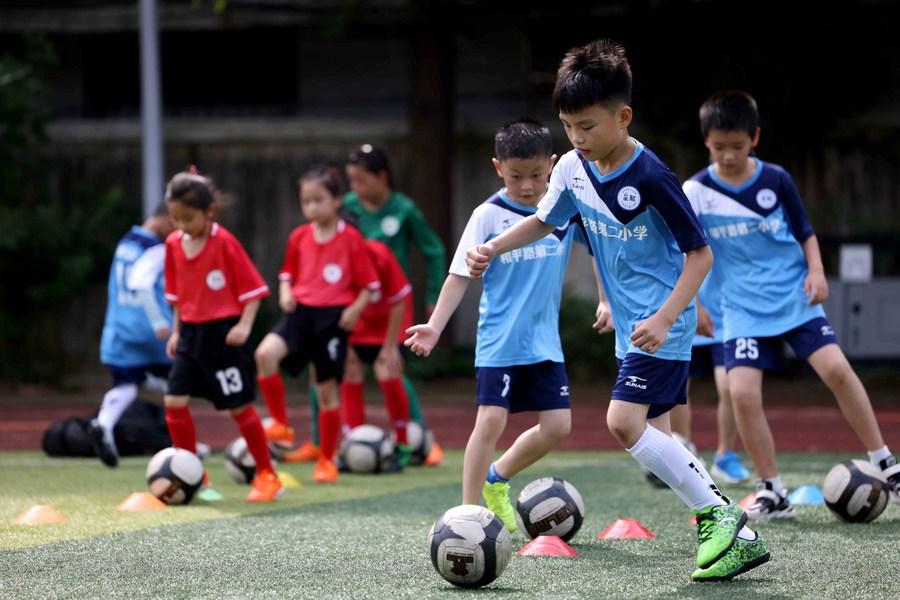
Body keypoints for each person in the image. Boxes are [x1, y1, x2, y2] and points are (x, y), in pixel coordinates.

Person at [465, 41, 767, 582]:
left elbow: (700, 254)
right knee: (656, 433)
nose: (577, 139)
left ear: (622, 117)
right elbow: (545, 219)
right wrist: (495, 247)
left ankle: (721, 516)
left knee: (622, 422)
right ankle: (731, 530)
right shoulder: (573, 169)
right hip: (632, 327)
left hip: (659, 324)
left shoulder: (651, 176)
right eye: (568, 128)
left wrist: (668, 316)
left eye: (587, 126)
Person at [683, 90, 900, 519]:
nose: (728, 156)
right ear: (706, 140)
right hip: (740, 309)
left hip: (793, 299)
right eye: (719, 146)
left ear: (755, 138)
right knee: (742, 394)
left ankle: (887, 464)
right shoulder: (697, 191)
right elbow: (687, 252)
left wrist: (816, 272)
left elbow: (805, 232)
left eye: (737, 146)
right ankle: (772, 490)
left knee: (837, 370)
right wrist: (694, 307)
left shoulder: (776, 179)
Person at [406, 118, 596, 534]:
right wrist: (436, 327)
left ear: (552, 163)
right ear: (498, 168)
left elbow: (600, 246)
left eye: (535, 175)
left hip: (545, 343)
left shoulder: (564, 211)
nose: (527, 185)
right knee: (490, 421)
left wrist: (607, 301)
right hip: (498, 341)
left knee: (558, 427)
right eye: (515, 176)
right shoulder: (488, 215)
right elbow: (459, 274)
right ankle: (466, 516)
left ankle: (497, 479)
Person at [287, 145, 447, 465]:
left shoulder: (401, 213)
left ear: (381, 177)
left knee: (390, 368)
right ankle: (329, 441)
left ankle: (416, 439)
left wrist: (435, 295)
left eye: (361, 180)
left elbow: (433, 251)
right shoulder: (343, 211)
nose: (354, 188)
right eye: (350, 180)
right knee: (332, 367)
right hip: (351, 307)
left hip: (390, 307)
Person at [162, 168, 282, 503]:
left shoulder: (225, 243)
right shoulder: (172, 245)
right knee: (173, 402)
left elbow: (255, 291)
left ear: (209, 212)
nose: (181, 225)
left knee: (239, 408)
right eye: (174, 218)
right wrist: (176, 332)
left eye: (188, 217)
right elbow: (177, 297)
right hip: (189, 335)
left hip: (223, 335)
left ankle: (267, 475)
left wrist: (243, 327)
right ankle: (192, 476)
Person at [255, 166, 380, 484]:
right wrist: (285, 292)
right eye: (306, 201)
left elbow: (369, 284)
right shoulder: (299, 236)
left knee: (325, 391)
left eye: (318, 200)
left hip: (332, 319)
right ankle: (281, 424)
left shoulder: (350, 238)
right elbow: (287, 273)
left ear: (336, 200)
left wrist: (354, 309)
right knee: (264, 355)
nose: (311, 207)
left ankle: (327, 459)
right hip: (300, 314)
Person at [88, 207, 173, 467]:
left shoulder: (125, 243)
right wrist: (159, 320)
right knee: (177, 387)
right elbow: (143, 284)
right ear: (168, 218)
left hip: (120, 328)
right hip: (153, 330)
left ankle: (105, 423)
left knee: (127, 384)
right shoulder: (157, 249)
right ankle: (183, 445)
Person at [340, 238, 415, 464]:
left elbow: (399, 299)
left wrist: (390, 345)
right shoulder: (331, 255)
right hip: (355, 328)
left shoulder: (379, 254)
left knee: (387, 369)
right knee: (349, 370)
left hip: (389, 327)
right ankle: (351, 441)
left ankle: (402, 444)